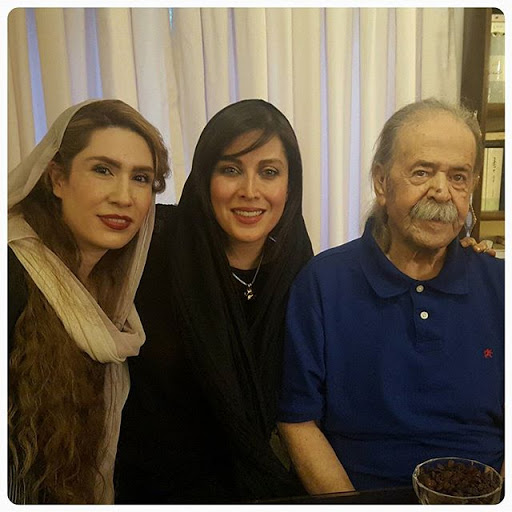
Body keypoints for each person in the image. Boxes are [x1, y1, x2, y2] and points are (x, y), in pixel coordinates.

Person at [277, 98, 504, 494]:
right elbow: (298, 420)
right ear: (381, 182)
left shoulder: (500, 285)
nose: (441, 192)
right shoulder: (323, 283)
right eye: (422, 172)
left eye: (458, 176)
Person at [115, 99, 314, 503]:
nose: (250, 191)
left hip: (258, 488)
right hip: (151, 489)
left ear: (290, 185)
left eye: (269, 172)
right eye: (231, 170)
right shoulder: (150, 246)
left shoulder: (301, 269)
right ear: (204, 177)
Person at [8, 99, 170, 504]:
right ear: (57, 179)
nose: (124, 197)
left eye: (141, 178)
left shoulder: (117, 292)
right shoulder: (11, 279)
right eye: (103, 170)